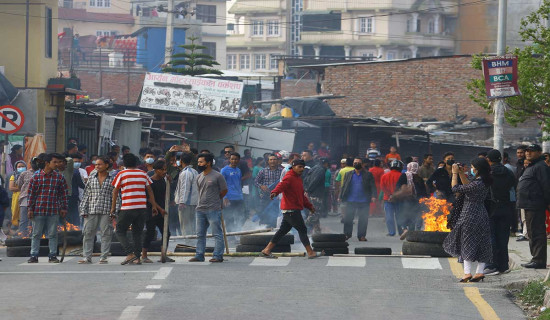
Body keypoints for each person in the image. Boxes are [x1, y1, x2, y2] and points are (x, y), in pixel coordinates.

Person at [260, 159, 322, 259]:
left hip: (292, 209)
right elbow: (281, 185)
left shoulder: (298, 179)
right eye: (299, 167)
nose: (301, 169)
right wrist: (275, 192)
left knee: (282, 231)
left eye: (303, 167)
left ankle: (266, 250)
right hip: (291, 209)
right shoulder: (289, 177)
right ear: (293, 167)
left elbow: (301, 196)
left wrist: (310, 206)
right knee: (302, 229)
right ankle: (310, 252)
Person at [443, 158, 493, 282]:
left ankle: (467, 273)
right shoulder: (483, 181)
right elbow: (467, 185)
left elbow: (455, 188)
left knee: (466, 242)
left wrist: (454, 174)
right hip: (482, 213)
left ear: (477, 169)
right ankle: (480, 272)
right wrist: (461, 173)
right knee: (483, 243)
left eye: (472, 167)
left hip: (469, 213)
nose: (471, 169)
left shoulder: (477, 183)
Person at [111, 153, 162, 265]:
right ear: (136, 162)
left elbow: (115, 191)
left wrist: (113, 208)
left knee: (119, 230)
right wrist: (153, 205)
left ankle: (130, 254)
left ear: (124, 163)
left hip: (127, 207)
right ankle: (137, 258)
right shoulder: (143, 174)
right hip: (141, 208)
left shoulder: (121, 174)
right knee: (137, 233)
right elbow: (149, 190)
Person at [27, 153, 68, 263]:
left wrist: (64, 208)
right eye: (54, 162)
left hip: (53, 210)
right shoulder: (36, 177)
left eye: (58, 162)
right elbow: (31, 194)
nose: (57, 164)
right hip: (38, 210)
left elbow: (63, 194)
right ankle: (34, 255)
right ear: (47, 163)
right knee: (36, 234)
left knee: (53, 234)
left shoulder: (59, 177)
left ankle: (52, 255)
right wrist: (30, 208)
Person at [79, 156, 119, 264]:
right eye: (96, 164)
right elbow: (86, 194)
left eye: (100, 164)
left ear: (106, 165)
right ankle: (87, 257)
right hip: (91, 209)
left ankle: (104, 257)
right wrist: (83, 209)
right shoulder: (91, 178)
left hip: (107, 210)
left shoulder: (113, 179)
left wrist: (114, 210)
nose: (97, 166)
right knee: (88, 233)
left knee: (106, 233)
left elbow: (116, 196)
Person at [483, 150, 516, 275]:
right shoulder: (508, 172)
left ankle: (491, 265)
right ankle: (503, 265)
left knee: (491, 236)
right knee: (503, 237)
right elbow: (513, 185)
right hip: (506, 207)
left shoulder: (487, 173)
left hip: (491, 208)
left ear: (488, 159)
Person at [190, 153, 228, 263]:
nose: (199, 164)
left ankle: (217, 255)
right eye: (198, 162)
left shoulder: (217, 176)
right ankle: (199, 255)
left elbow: (224, 190)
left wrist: (217, 199)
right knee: (200, 234)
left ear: (209, 163)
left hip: (213, 209)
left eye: (201, 162)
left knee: (217, 233)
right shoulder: (199, 176)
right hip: (200, 209)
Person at [517, 144, 550, 269]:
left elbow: (546, 187)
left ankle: (539, 260)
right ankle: (535, 258)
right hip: (529, 204)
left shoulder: (541, 166)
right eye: (527, 151)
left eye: (531, 151)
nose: (528, 153)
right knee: (532, 233)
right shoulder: (533, 166)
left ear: (539, 152)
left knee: (537, 233)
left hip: (535, 204)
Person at [141, 160, 174, 263]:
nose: (164, 171)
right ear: (156, 170)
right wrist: (160, 209)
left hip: (162, 210)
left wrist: (170, 181)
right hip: (152, 210)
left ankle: (163, 254)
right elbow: (150, 199)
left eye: (165, 169)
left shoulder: (163, 180)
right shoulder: (150, 182)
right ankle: (144, 255)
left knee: (166, 233)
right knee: (150, 233)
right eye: (162, 170)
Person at [339, 158, 377, 241]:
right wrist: (340, 196)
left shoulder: (368, 174)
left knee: (363, 219)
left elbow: (373, 186)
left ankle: (361, 236)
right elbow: (344, 186)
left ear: (362, 164)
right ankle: (347, 234)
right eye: (354, 162)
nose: (356, 164)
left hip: (364, 200)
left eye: (358, 162)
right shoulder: (348, 174)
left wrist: (374, 196)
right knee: (348, 218)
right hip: (351, 200)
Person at [395, 162, 429, 237]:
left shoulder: (404, 176)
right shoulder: (419, 178)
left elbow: (398, 187)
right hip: (417, 201)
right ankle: (412, 234)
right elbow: (424, 192)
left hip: (405, 201)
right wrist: (426, 201)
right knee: (413, 218)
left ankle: (405, 230)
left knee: (403, 216)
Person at [174, 152, 198, 239]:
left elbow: (185, 188)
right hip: (192, 203)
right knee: (191, 225)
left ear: (181, 161)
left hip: (186, 204)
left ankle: (188, 243)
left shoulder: (186, 173)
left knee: (185, 225)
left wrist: (182, 202)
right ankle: (191, 242)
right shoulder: (194, 171)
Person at [254, 154, 282, 226]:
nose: (273, 161)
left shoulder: (282, 171)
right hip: (265, 196)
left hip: (277, 197)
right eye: (271, 160)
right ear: (268, 161)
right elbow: (256, 182)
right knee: (263, 211)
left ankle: (272, 227)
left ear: (278, 161)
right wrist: (261, 186)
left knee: (275, 213)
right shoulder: (263, 171)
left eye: (274, 159)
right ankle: (263, 227)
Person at [303, 158, 330, 233]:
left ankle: (317, 231)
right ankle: (302, 226)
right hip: (316, 194)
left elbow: (305, 180)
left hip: (311, 194)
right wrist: (309, 190)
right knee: (315, 213)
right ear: (326, 163)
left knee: (313, 212)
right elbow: (315, 181)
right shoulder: (321, 170)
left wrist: (306, 190)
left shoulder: (313, 168)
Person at [221, 152, 244, 232]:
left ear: (239, 160)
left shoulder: (239, 170)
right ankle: (230, 235)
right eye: (232, 159)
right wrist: (225, 197)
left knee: (240, 216)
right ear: (229, 160)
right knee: (229, 217)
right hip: (229, 197)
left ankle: (238, 232)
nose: (234, 161)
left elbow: (239, 183)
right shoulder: (224, 170)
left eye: (236, 159)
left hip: (239, 197)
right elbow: (221, 185)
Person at [17, 158, 40, 237]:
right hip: (25, 198)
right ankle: (22, 236)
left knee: (34, 220)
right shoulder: (24, 173)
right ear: (30, 163)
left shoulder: (42, 173)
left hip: (38, 199)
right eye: (34, 162)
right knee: (24, 219)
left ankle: (32, 235)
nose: (35, 164)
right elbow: (19, 185)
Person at [380, 160, 405, 236]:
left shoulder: (384, 176)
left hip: (387, 199)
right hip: (399, 199)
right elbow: (403, 188)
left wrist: (389, 195)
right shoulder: (402, 175)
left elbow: (382, 187)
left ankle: (391, 232)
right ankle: (401, 231)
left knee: (389, 216)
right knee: (399, 215)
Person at [68, 153, 86, 226]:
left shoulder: (61, 172)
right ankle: (76, 228)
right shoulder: (76, 171)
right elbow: (81, 184)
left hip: (64, 197)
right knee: (75, 214)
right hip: (73, 196)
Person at [8, 160, 26, 232]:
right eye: (19, 167)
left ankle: (23, 230)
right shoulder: (13, 176)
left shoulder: (28, 175)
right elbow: (11, 188)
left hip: (25, 197)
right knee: (16, 213)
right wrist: (22, 188)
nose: (21, 168)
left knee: (23, 214)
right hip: (16, 197)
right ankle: (17, 230)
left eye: (22, 166)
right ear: (16, 168)